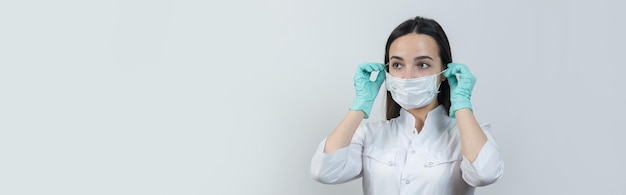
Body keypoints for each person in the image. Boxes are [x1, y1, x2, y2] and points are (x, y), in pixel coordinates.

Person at [310, 16, 504, 195]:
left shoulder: (466, 136)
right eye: (397, 65)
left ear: (444, 71)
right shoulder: (370, 134)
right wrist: (360, 105)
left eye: (423, 65)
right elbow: (324, 171)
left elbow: (485, 173)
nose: (408, 76)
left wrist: (461, 104)